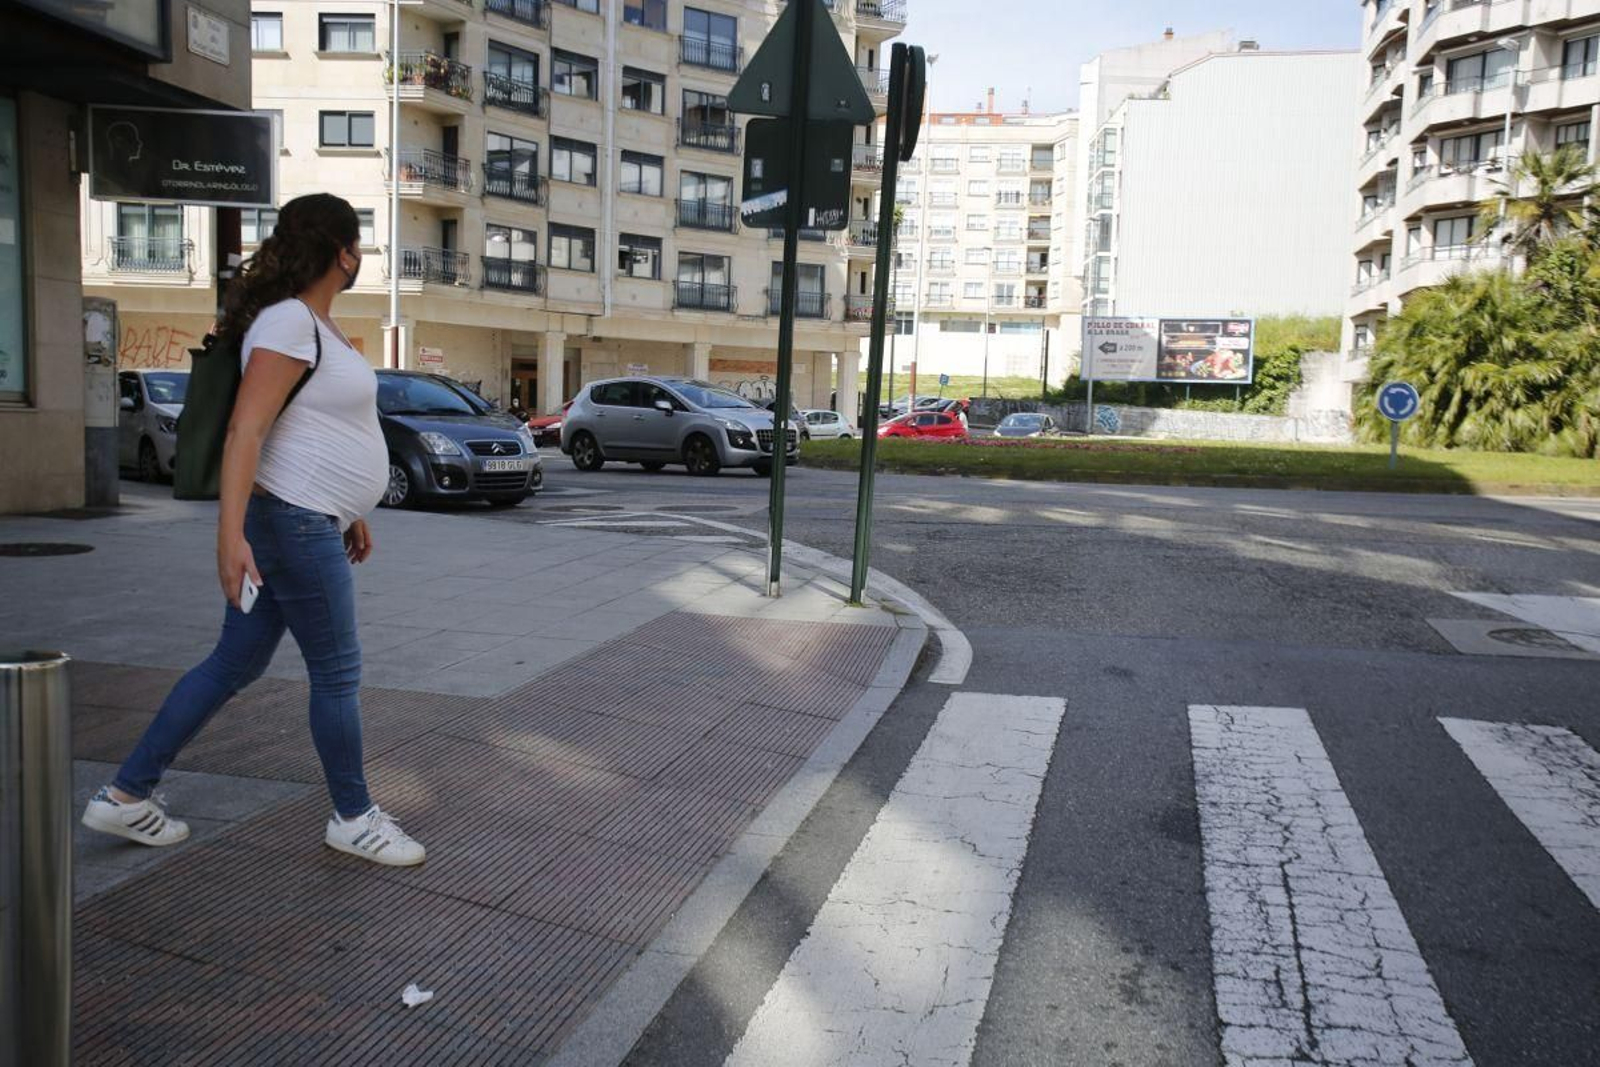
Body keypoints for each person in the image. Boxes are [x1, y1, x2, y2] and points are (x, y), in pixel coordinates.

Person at [81, 193, 425, 867]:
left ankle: (125, 794)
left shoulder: (309, 325)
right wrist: (228, 536)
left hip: (304, 516)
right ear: (340, 252)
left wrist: (350, 506)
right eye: (358, 246)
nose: (361, 258)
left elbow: (313, 425)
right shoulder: (292, 321)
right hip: (290, 523)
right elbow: (247, 429)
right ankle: (353, 816)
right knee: (336, 671)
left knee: (233, 662)